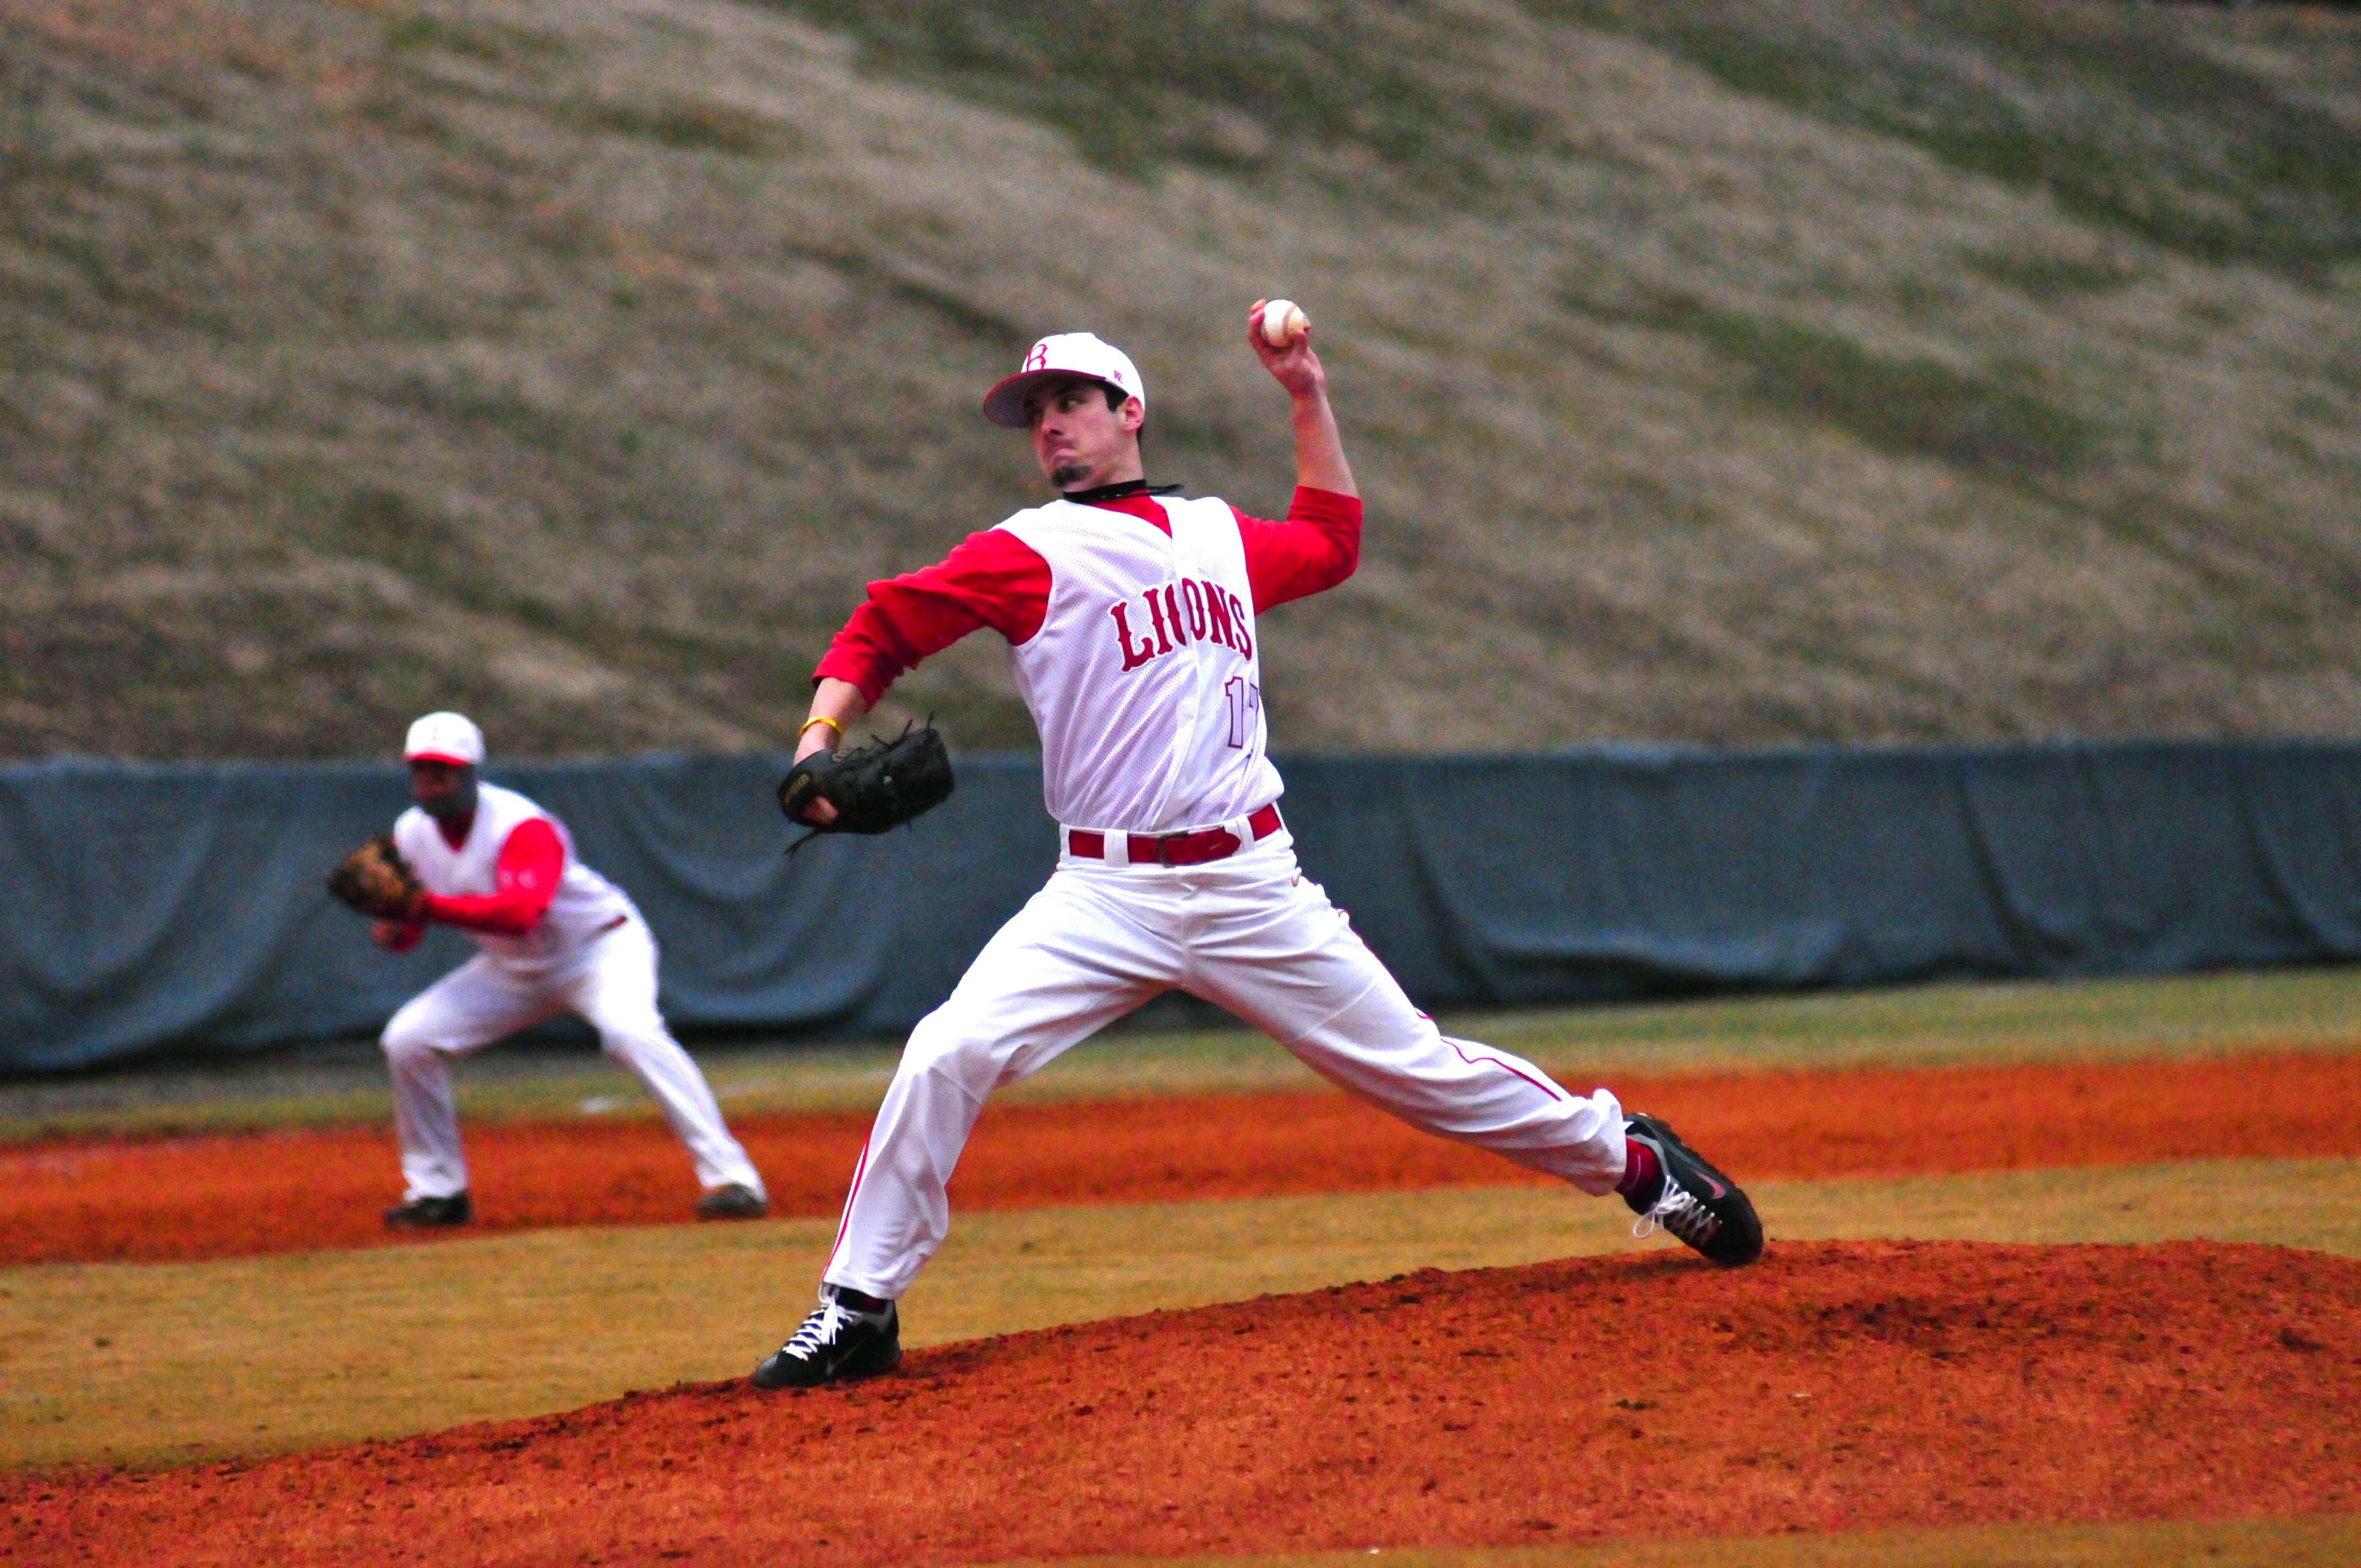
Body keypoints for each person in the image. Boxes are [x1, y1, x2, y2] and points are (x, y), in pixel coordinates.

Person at [750, 312, 1762, 1390]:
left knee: (1419, 1072)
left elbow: (1329, 542)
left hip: (1250, 883)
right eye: (1034, 412)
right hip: (1104, 891)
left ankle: (1632, 1160)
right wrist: (819, 741)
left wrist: (1306, 395)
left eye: (1071, 402)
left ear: (1128, 412)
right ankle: (857, 1304)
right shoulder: (1027, 552)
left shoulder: (1215, 532)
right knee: (946, 1050)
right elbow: (880, 627)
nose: (1049, 425)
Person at [370, 711, 769, 1226]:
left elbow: (521, 912)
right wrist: (395, 923)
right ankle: (438, 1191)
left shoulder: (521, 826)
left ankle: (735, 1179)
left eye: (443, 770)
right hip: (513, 969)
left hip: (599, 951)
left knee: (631, 1032)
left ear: (471, 773)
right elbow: (406, 935)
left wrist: (423, 906)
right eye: (422, 769)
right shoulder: (411, 833)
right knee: (408, 1039)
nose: (431, 780)